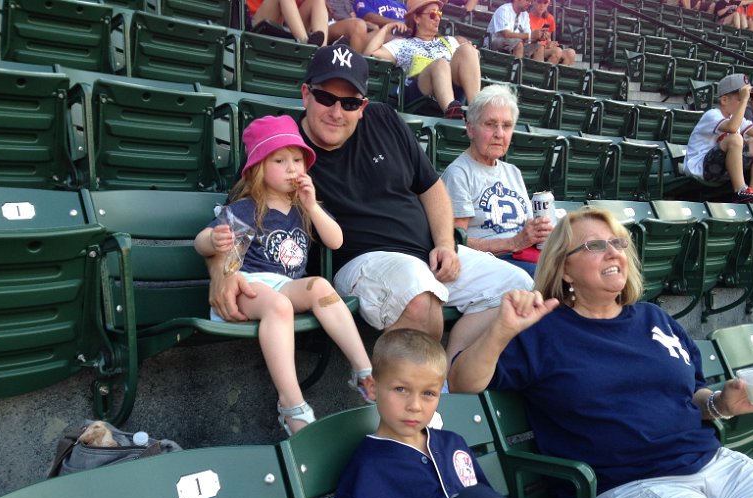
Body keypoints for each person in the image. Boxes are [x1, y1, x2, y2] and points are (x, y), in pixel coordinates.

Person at [448, 207, 753, 498]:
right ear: (564, 269)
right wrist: (501, 331)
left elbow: (691, 394)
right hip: (628, 488)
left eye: (618, 243)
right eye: (595, 246)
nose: (613, 252)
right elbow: (462, 381)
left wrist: (720, 403)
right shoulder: (543, 330)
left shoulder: (654, 319)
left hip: (715, 464)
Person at [208, 45, 533, 367]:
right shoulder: (285, 149)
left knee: (519, 290)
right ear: (306, 94)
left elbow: (431, 188)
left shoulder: (383, 118)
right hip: (361, 261)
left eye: (349, 103)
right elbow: (233, 223)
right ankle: (402, 396)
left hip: (428, 255)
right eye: (326, 98)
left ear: (362, 106)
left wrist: (446, 244)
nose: (337, 112)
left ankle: (446, 380)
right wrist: (221, 275)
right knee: (418, 298)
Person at [330, 328, 690, 498]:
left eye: (428, 393)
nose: (414, 405)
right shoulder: (367, 470)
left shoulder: (452, 445)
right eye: (400, 390)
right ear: (372, 388)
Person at [194, 115, 373, 435]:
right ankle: (292, 404)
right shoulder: (246, 208)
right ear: (258, 168)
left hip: (285, 286)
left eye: (297, 160)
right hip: (247, 287)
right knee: (279, 305)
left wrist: (313, 206)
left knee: (320, 286)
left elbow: (336, 240)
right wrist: (213, 240)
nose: (292, 168)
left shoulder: (303, 207)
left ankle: (364, 371)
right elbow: (201, 242)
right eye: (279, 160)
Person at [441, 84, 553, 277]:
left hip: (523, 258)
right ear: (470, 129)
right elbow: (455, 242)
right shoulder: (459, 173)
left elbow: (528, 226)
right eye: (490, 124)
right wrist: (513, 243)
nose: (499, 134)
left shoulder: (513, 172)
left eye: (506, 126)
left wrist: (541, 232)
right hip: (487, 265)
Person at [362, 0, 482, 120]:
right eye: (433, 14)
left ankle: (477, 112)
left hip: (452, 90)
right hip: (418, 94)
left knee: (468, 49)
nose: (438, 18)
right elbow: (369, 55)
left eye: (439, 14)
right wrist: (386, 28)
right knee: (440, 64)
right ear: (417, 18)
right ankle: (452, 115)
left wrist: (472, 52)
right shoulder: (401, 44)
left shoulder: (450, 41)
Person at [684, 73, 753, 203]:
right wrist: (744, 100)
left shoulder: (736, 118)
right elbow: (732, 128)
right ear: (724, 100)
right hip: (701, 168)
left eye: (746, 99)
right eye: (740, 99)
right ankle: (740, 190)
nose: (746, 103)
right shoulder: (712, 114)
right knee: (735, 139)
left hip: (720, 167)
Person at [252, 0, 328, 46]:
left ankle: (322, 51)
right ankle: (306, 45)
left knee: (317, 1)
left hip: (290, 27)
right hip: (259, 24)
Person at [526, 0, 576, 65]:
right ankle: (543, 71)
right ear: (533, 2)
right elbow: (525, 39)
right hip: (532, 47)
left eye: (545, 3)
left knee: (571, 53)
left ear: (548, 3)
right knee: (557, 51)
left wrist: (550, 43)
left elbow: (548, 38)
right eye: (539, 2)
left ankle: (556, 71)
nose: (542, 5)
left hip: (545, 48)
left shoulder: (550, 18)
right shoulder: (526, 17)